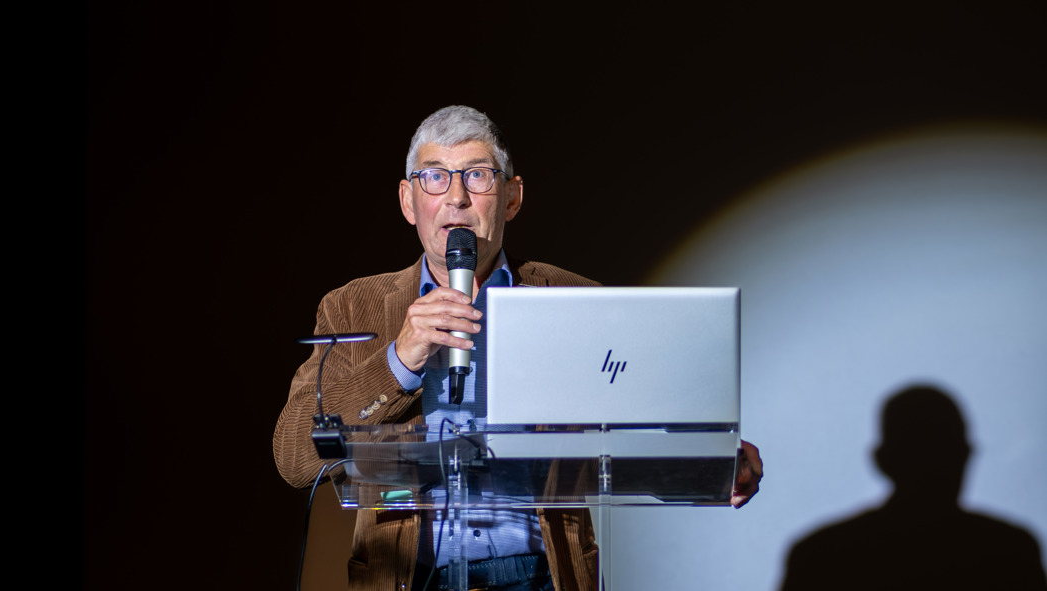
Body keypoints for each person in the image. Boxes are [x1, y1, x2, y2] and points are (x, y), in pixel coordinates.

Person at [274, 105, 763, 591]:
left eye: (478, 175)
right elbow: (295, 457)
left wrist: (715, 462)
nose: (457, 198)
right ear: (408, 200)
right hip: (411, 580)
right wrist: (400, 360)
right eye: (435, 177)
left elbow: (643, 430)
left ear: (511, 197)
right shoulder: (351, 307)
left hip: (539, 576)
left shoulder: (574, 299)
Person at [780, 385, 1046, 590]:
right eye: (924, 449)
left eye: (942, 449)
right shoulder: (1009, 551)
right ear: (966, 454)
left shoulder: (822, 556)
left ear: (881, 460)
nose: (935, 466)